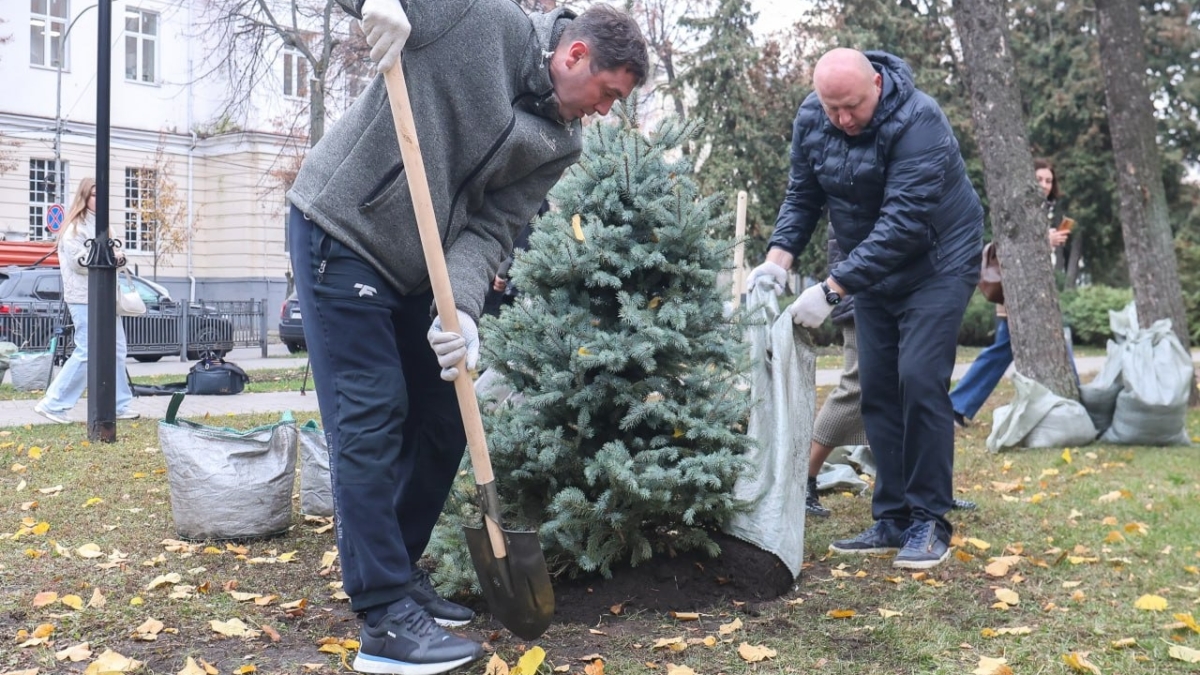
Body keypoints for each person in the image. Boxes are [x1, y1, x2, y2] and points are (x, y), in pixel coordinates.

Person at [285, 1, 648, 673]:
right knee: (372, 411)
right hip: (343, 229)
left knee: (447, 414)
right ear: (575, 57)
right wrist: (377, 4)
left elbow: (491, 228)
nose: (604, 112)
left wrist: (466, 315)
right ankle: (384, 615)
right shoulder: (479, 18)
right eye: (607, 94)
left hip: (425, 263)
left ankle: (400, 567)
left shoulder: (560, 142)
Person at [749, 48, 983, 570]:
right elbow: (803, 194)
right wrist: (777, 260)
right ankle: (893, 516)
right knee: (877, 387)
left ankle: (929, 520)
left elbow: (903, 222)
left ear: (876, 84)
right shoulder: (814, 117)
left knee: (919, 379)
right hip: (871, 269)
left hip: (937, 261)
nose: (843, 120)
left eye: (852, 106)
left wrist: (832, 288)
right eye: (832, 108)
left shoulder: (920, 119)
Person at [950, 159, 1073, 428]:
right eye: (1039, 179)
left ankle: (957, 406)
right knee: (1012, 349)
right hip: (1017, 300)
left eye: (1048, 181)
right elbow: (1012, 247)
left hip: (1036, 299)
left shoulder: (1044, 212)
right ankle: (955, 406)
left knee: (1021, 348)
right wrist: (1045, 240)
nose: (1044, 185)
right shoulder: (1020, 207)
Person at [34, 177, 140, 425]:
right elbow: (81, 264)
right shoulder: (74, 227)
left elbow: (119, 255)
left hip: (106, 296)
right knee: (87, 351)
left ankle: (120, 404)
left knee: (117, 349)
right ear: (84, 197)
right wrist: (111, 256)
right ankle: (53, 403)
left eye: (102, 195)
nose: (99, 200)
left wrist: (116, 257)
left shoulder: (105, 226)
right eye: (94, 194)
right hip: (83, 297)